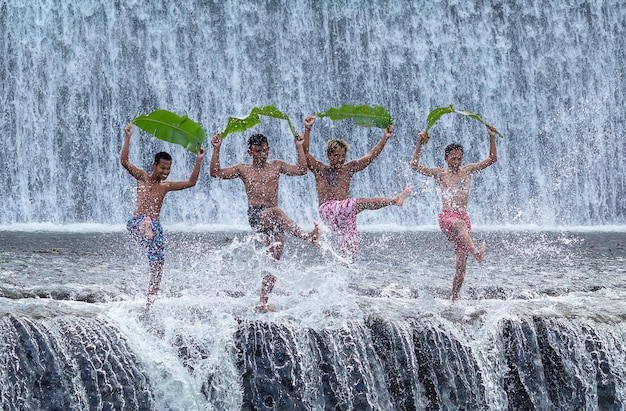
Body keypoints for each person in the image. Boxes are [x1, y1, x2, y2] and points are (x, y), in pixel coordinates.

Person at [209, 131, 320, 312]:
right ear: (250, 152)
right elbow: (215, 173)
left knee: (274, 260)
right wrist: (217, 148)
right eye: (258, 151)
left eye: (265, 150)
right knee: (275, 211)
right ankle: (307, 237)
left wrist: (299, 147)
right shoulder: (243, 169)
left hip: (275, 221)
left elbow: (301, 170)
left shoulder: (276, 166)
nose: (263, 154)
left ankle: (263, 301)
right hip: (257, 215)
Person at [120, 123, 205, 312]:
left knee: (158, 264)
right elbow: (124, 162)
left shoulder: (166, 186)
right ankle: (146, 228)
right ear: (154, 166)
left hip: (154, 228)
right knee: (146, 220)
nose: (165, 172)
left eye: (168, 169)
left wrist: (198, 159)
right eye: (162, 168)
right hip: (137, 223)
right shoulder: (142, 177)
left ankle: (149, 303)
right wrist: (128, 137)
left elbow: (192, 182)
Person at [302, 115, 412, 260]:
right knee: (360, 203)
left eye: (343, 155)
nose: (340, 159)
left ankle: (346, 277)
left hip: (345, 215)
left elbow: (371, 156)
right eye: (336, 156)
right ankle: (394, 200)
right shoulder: (320, 169)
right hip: (328, 210)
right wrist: (307, 129)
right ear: (328, 156)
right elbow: (305, 153)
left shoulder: (349, 168)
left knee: (350, 250)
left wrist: (385, 138)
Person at [411, 124, 498, 301]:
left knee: (461, 265)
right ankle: (477, 253)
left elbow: (492, 159)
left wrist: (491, 137)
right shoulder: (440, 174)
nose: (456, 162)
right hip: (448, 217)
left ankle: (453, 299)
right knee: (459, 225)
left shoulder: (468, 171)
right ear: (445, 158)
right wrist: (420, 143)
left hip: (463, 218)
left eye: (459, 158)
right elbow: (414, 165)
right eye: (452, 158)